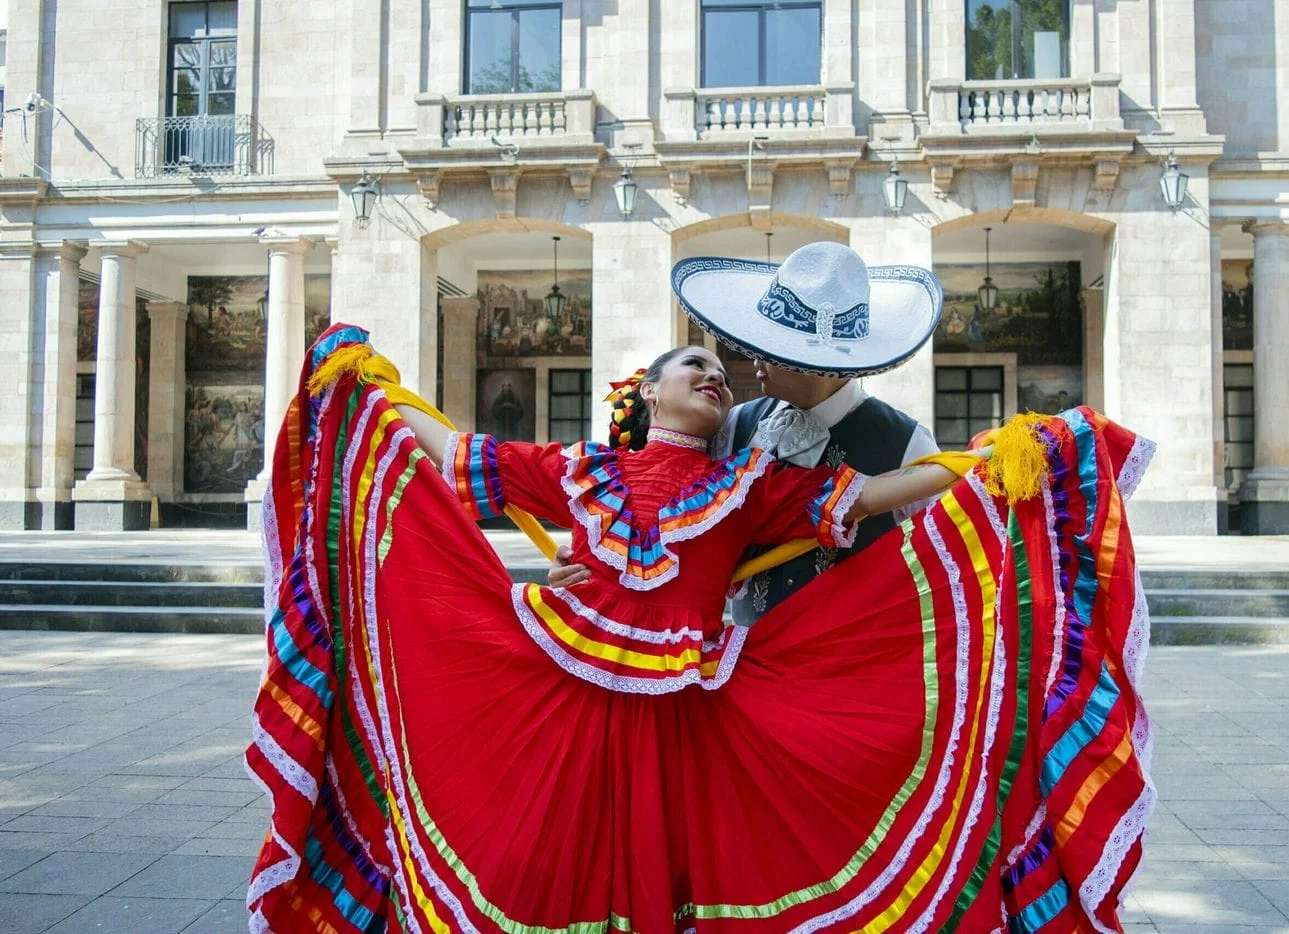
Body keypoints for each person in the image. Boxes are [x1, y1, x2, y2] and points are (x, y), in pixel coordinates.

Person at [247, 246, 1155, 933]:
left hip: (762, 680)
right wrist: (369, 390)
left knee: (704, 858)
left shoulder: (781, 469)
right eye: (711, 364)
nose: (739, 369)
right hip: (588, 682)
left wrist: (989, 460)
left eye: (749, 361)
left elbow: (873, 501)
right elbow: (459, 456)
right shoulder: (617, 460)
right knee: (541, 843)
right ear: (647, 390)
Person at [551, 243, 943, 630]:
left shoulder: (909, 444)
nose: (751, 358)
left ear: (817, 363)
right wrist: (588, 563)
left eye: (769, 347)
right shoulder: (731, 425)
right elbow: (660, 521)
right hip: (737, 667)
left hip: (851, 670)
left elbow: (946, 563)